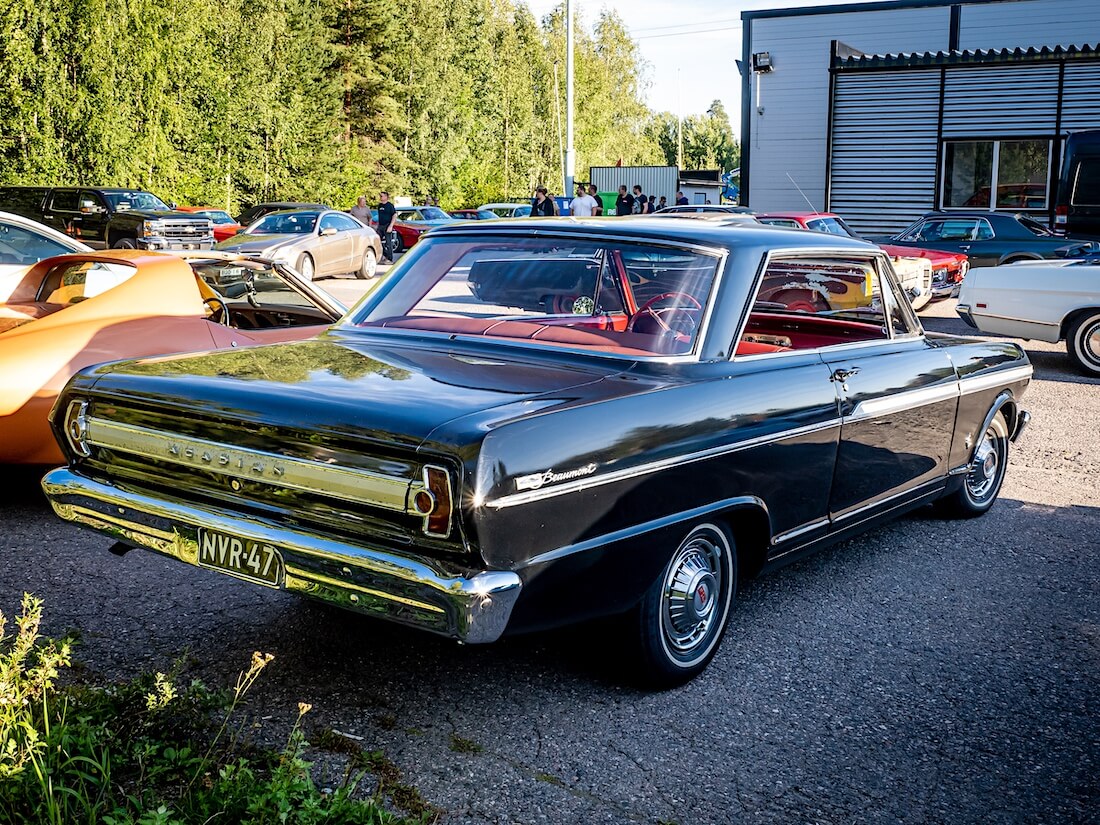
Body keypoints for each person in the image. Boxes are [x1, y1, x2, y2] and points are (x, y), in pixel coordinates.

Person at [376, 191, 396, 263]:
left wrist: (391, 226)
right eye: (380, 196)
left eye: (382, 196)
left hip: (387, 225)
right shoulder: (380, 206)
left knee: (388, 243)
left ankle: (390, 258)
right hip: (380, 226)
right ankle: (385, 254)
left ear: (386, 197)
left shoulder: (390, 205)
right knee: (377, 241)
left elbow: (394, 215)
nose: (381, 197)